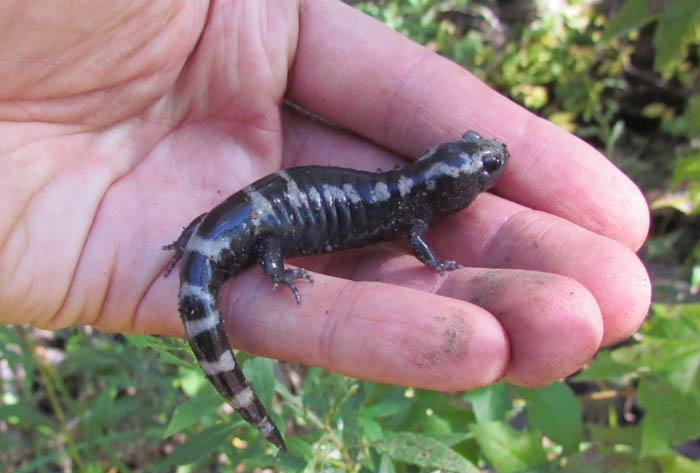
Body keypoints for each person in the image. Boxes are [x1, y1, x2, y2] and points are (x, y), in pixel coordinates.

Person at [0, 0, 650, 391]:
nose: (490, 168)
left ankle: (200, 249)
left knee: (234, 243)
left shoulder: (411, 192)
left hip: (243, 220)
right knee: (244, 253)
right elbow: (416, 238)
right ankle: (216, 264)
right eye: (480, 166)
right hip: (255, 231)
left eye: (484, 166)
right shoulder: (414, 210)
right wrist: (434, 264)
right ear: (446, 181)